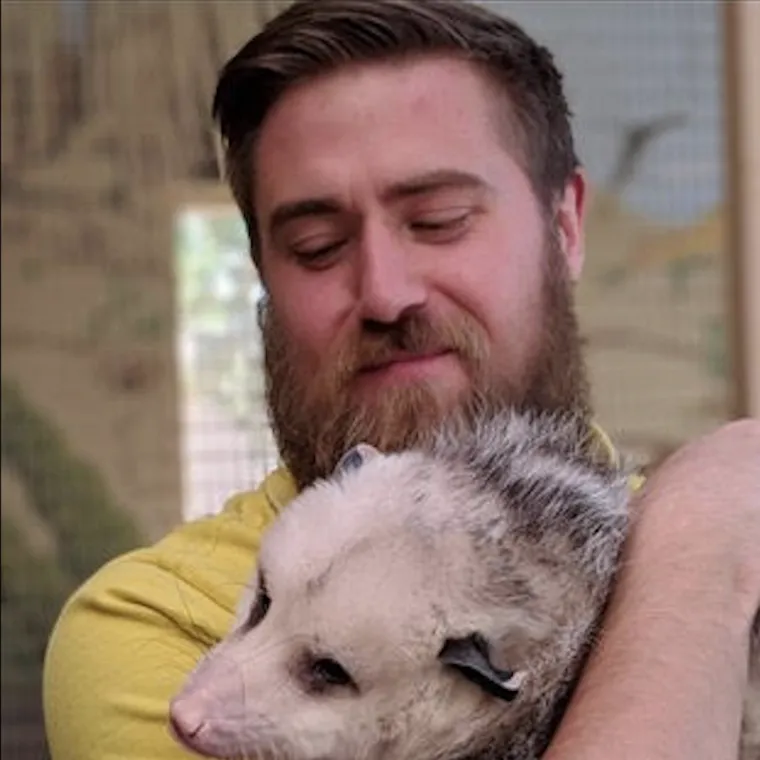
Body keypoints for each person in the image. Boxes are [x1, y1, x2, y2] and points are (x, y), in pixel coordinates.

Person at [42, 1, 759, 758]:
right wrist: (699, 552)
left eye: (442, 218)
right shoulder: (152, 623)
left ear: (566, 228)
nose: (386, 292)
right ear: (264, 280)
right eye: (317, 246)